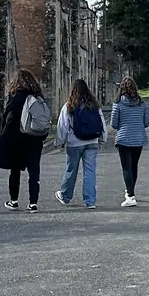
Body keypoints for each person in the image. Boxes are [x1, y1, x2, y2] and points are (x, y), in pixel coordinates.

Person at [0, 69, 48, 212]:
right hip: (34, 139)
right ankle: (33, 203)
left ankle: (13, 201)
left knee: (15, 171)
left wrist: (4, 135)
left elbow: (6, 117)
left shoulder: (15, 97)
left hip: (17, 139)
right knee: (34, 172)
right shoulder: (38, 97)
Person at [55, 78, 104, 209]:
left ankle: (65, 196)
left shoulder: (69, 106)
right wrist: (102, 139)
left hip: (74, 143)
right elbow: (101, 123)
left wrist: (59, 142)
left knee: (71, 170)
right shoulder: (94, 105)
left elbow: (63, 126)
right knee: (90, 171)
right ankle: (90, 201)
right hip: (92, 141)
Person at [110, 77, 149, 207]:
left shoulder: (118, 104)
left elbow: (114, 124)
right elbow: (146, 122)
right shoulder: (142, 103)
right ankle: (130, 191)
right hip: (138, 138)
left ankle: (131, 196)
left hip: (123, 138)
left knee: (126, 168)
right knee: (134, 166)